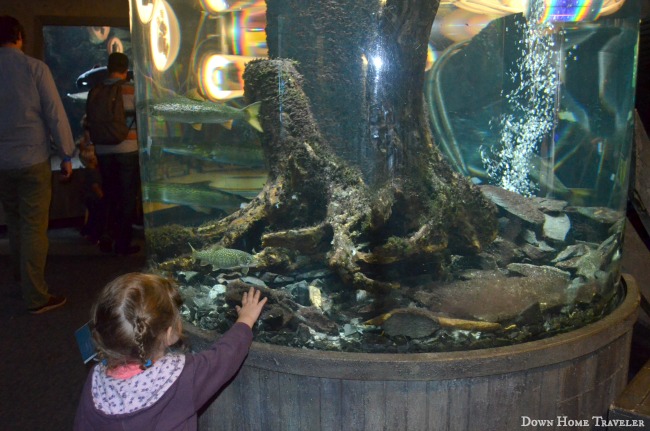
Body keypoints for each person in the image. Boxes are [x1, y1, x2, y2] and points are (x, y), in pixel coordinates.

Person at [73, 273, 267, 430]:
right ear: (168, 334)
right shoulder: (181, 376)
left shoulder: (95, 383)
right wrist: (245, 320)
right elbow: (224, 357)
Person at [0, 15, 74, 314]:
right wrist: (66, 152)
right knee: (33, 228)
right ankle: (36, 296)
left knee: (15, 223)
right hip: (32, 158)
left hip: (2, 162)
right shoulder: (34, 68)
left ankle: (22, 277)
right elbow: (54, 113)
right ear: (19, 37)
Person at [85, 52, 140, 255]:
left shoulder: (96, 90)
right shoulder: (131, 89)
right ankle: (122, 243)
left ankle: (106, 236)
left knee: (109, 194)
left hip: (103, 150)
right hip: (127, 149)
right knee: (126, 197)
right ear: (126, 70)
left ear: (108, 68)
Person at [78, 143, 106, 244]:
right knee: (97, 218)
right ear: (92, 159)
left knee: (91, 216)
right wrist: (102, 197)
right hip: (95, 199)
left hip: (88, 198)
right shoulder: (94, 172)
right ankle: (94, 236)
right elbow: (95, 186)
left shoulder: (87, 171)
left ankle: (86, 231)